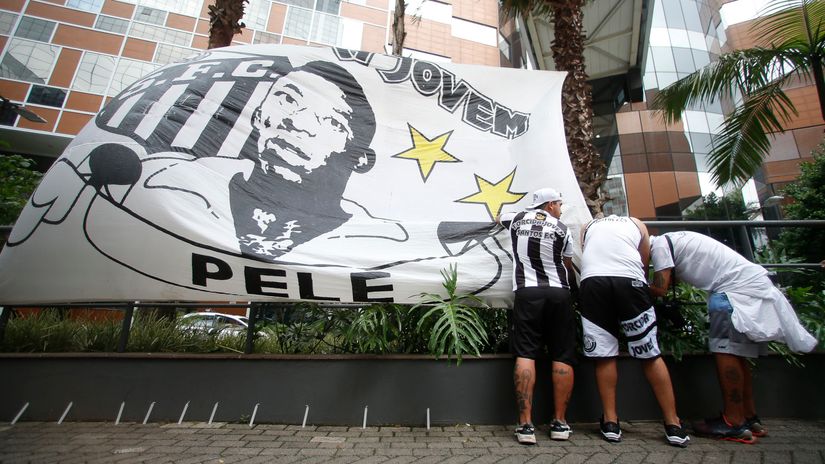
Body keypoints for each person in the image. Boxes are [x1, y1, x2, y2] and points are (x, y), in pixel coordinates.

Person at [649, 231, 817, 444]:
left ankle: (733, 422)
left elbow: (660, 288)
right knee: (737, 355)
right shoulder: (676, 239)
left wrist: (634, 287)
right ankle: (748, 417)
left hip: (732, 293)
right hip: (748, 288)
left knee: (725, 351)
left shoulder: (660, 246)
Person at [230, 60, 378, 259]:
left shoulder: (372, 243)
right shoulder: (186, 184)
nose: (297, 123)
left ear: (359, 158)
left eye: (333, 121)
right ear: (257, 114)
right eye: (287, 100)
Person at [578, 215, 690, 447]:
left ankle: (610, 421)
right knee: (649, 353)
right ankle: (673, 423)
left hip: (594, 282)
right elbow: (644, 261)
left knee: (604, 354)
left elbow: (586, 249)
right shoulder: (637, 223)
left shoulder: (587, 226)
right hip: (630, 281)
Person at [497, 188, 577, 445]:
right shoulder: (562, 228)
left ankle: (525, 425)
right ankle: (560, 423)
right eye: (559, 204)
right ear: (550, 204)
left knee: (526, 353)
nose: (561, 209)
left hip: (527, 292)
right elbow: (566, 264)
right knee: (561, 354)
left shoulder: (516, 219)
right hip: (558, 293)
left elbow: (498, 216)